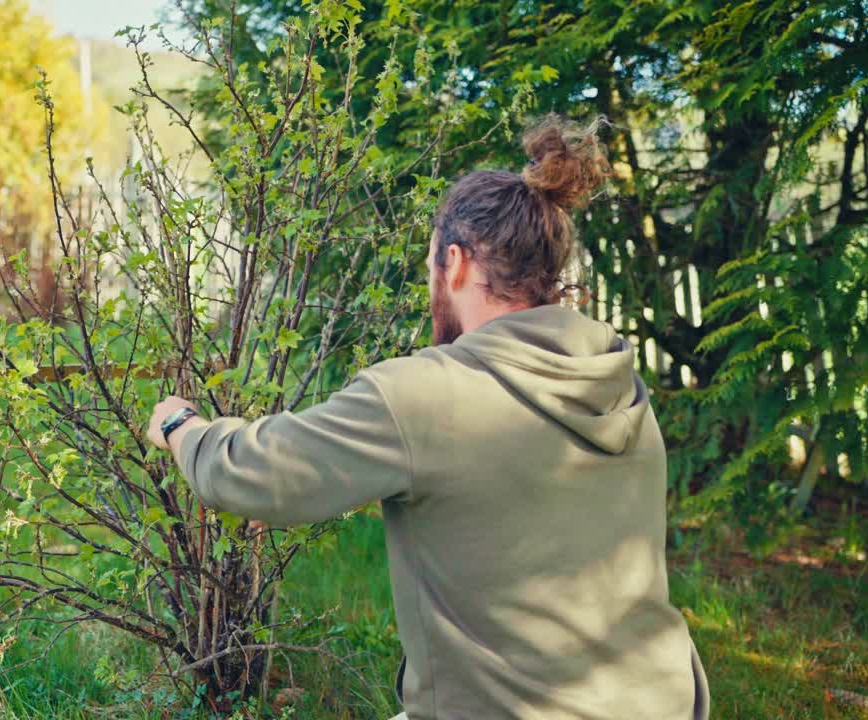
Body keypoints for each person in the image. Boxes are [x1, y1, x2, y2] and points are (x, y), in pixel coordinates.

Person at [146, 114, 710, 720]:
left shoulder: (425, 395)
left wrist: (183, 428)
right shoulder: (617, 382)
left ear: (458, 264)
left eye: (432, 267)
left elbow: (255, 472)